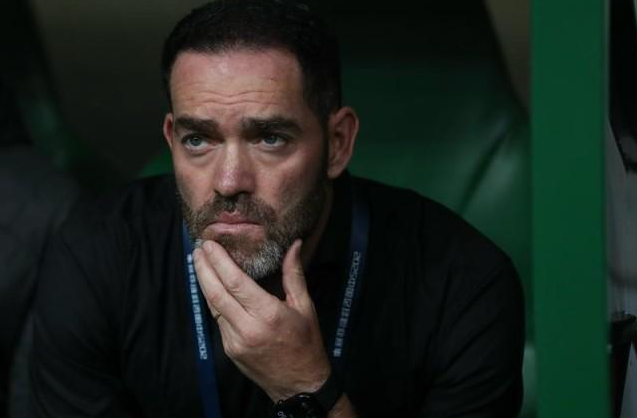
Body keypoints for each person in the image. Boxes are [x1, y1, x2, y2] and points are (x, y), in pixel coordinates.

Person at [30, 1, 525, 417]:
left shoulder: (461, 283)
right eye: (198, 140)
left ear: (338, 142)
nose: (229, 182)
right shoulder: (96, 257)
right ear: (171, 139)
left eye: (269, 138)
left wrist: (305, 388)